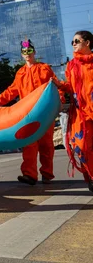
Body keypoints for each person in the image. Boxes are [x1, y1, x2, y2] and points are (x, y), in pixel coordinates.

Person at [0, 39, 60, 185]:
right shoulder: (20, 73)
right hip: (28, 114)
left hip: (45, 113)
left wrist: (59, 104)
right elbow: (11, 92)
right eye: (24, 52)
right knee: (29, 144)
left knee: (46, 145)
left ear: (34, 52)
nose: (27, 54)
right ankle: (29, 175)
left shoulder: (44, 68)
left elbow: (55, 86)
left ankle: (47, 174)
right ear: (21, 55)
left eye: (29, 51)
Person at [57, 30, 93, 193]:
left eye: (76, 41)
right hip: (79, 113)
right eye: (72, 42)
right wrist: (59, 85)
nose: (73, 44)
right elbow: (70, 86)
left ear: (87, 43)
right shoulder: (71, 65)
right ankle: (91, 176)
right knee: (80, 146)